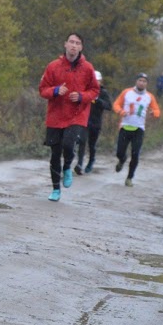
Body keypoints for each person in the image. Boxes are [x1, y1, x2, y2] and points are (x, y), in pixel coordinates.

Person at [38, 33, 100, 201]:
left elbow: (95, 91)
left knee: (68, 144)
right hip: (55, 115)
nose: (74, 45)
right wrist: (55, 90)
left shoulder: (87, 68)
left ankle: (67, 167)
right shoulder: (53, 66)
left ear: (81, 47)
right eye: (71, 42)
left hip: (76, 115)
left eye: (77, 43)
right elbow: (42, 89)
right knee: (55, 153)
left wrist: (81, 96)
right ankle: (56, 189)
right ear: (65, 44)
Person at [112, 72, 161, 187]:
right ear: (136, 81)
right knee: (119, 152)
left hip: (139, 129)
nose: (142, 83)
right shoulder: (127, 92)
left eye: (144, 81)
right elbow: (116, 104)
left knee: (135, 154)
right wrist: (120, 111)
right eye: (140, 80)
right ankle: (122, 160)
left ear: (147, 84)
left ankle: (129, 178)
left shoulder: (149, 96)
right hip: (125, 126)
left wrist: (154, 113)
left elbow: (157, 110)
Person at [75, 70, 111, 175]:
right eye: (93, 80)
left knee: (92, 144)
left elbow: (109, 106)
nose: (95, 82)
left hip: (96, 122)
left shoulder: (103, 92)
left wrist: (98, 100)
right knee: (82, 141)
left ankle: (91, 161)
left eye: (97, 81)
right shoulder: (86, 90)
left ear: (100, 82)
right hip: (85, 120)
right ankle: (79, 164)